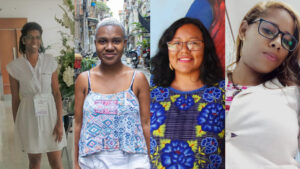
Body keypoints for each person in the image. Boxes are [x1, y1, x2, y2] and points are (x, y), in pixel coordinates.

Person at [226, 1, 300, 168]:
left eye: (287, 41)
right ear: (243, 30)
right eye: (268, 31)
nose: (278, 43)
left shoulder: (294, 96)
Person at [74, 18, 150, 169]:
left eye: (116, 41)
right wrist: (76, 163)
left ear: (125, 43)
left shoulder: (138, 79)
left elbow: (146, 123)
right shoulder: (84, 80)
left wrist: (152, 159)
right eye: (103, 41)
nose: (109, 47)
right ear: (95, 43)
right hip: (92, 162)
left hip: (134, 162)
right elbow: (78, 124)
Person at [150, 17, 225, 169]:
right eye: (176, 43)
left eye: (193, 43)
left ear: (206, 49)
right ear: (167, 50)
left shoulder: (224, 95)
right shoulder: (149, 95)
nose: (184, 50)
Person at [6, 22, 66, 169]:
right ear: (23, 40)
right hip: (29, 116)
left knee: (55, 159)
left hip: (50, 115)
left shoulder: (49, 61)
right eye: (30, 37)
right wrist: (18, 125)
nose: (34, 41)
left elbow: (57, 93)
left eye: (38, 37)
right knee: (34, 160)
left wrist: (59, 122)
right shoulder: (14, 67)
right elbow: (15, 99)